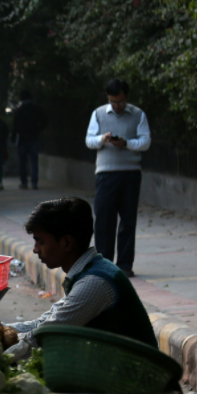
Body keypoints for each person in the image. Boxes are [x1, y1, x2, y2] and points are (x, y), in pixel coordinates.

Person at [5, 197, 184, 394]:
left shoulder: (95, 283)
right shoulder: (90, 272)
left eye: (40, 241)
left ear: (67, 242)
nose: (35, 249)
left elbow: (45, 333)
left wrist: (0, 351)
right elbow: (43, 321)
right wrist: (0, 330)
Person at [85, 79, 151, 277]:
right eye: (113, 102)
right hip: (106, 173)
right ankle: (104, 264)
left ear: (126, 98)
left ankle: (124, 264)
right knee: (104, 219)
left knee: (128, 219)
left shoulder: (138, 114)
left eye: (120, 102)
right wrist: (102, 139)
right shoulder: (98, 113)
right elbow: (89, 140)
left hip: (130, 172)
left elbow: (145, 141)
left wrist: (127, 144)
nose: (116, 106)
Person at [11, 90, 46, 190]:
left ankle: (24, 182)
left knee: (22, 161)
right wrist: (38, 129)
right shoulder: (36, 109)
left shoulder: (19, 110)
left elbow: (15, 126)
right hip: (34, 137)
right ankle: (34, 182)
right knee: (34, 160)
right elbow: (44, 121)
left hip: (22, 139)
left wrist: (14, 138)